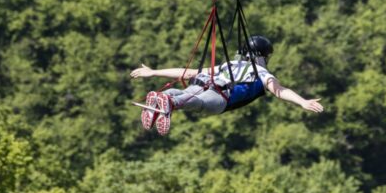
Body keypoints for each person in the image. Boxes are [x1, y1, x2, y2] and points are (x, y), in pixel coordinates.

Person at [130, 35, 324, 135]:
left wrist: (154, 72)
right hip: (220, 96)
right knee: (199, 103)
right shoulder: (262, 73)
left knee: (187, 92)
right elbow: (280, 91)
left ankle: (166, 98)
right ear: (261, 56)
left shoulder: (228, 65)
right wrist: (302, 102)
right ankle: (170, 102)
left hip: (204, 83)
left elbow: (188, 73)